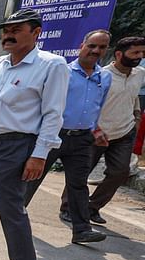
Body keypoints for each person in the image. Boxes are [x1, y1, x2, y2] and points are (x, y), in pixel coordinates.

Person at [0, 8, 67, 260]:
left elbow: (53, 114)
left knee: (11, 208)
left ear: (36, 33)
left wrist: (39, 154)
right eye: (6, 30)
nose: (8, 34)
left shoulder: (52, 65)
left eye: (16, 29)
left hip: (17, 146)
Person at [25, 29, 112, 244]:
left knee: (78, 184)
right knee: (32, 178)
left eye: (101, 47)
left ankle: (81, 230)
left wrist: (96, 130)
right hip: (54, 134)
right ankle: (14, 215)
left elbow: (96, 107)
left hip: (82, 139)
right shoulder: (63, 71)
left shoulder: (105, 77)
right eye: (92, 45)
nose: (95, 51)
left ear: (107, 50)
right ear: (82, 46)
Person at [58, 35, 145, 224]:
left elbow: (134, 95)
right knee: (81, 173)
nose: (139, 56)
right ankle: (68, 208)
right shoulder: (102, 75)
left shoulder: (139, 74)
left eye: (142, 52)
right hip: (96, 132)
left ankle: (92, 208)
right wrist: (94, 129)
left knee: (120, 172)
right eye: (135, 52)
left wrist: (137, 115)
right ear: (120, 54)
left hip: (124, 131)